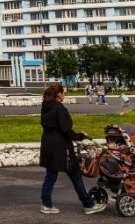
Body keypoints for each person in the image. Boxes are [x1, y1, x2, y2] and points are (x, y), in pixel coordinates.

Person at [39, 83, 106, 215]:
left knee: (51, 175)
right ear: (59, 94)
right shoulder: (59, 108)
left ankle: (46, 204)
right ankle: (88, 204)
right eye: (63, 93)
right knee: (75, 174)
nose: (64, 95)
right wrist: (81, 135)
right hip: (61, 147)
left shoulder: (45, 107)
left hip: (47, 144)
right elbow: (66, 130)